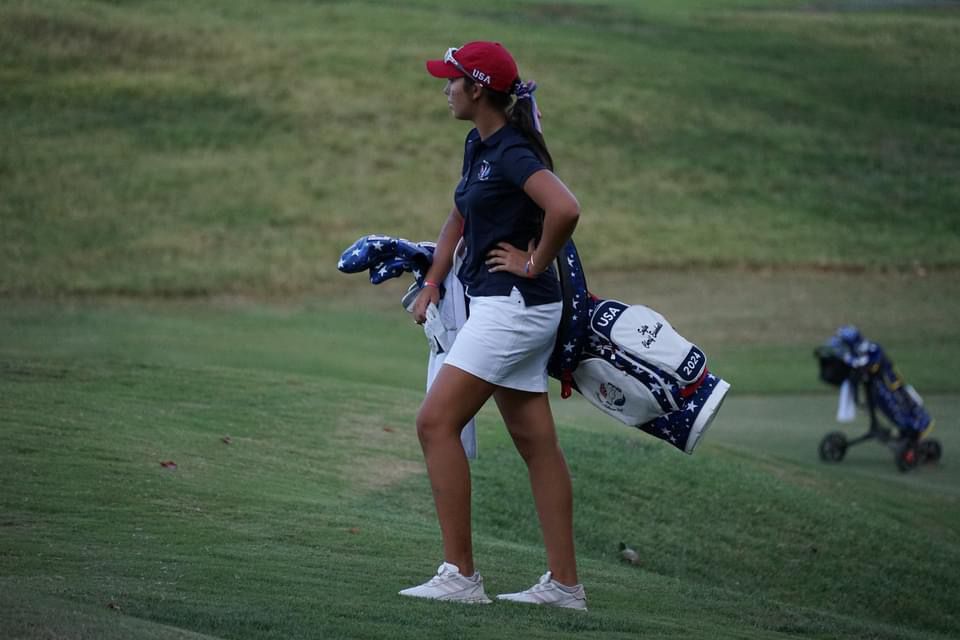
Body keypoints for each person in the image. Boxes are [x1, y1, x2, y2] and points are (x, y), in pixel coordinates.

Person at [398, 41, 585, 610]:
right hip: (509, 307)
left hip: (514, 306)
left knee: (434, 423)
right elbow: (461, 212)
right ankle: (565, 588)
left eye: (451, 80)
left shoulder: (511, 152)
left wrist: (532, 261)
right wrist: (433, 280)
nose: (445, 88)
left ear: (477, 89)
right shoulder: (478, 143)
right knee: (536, 444)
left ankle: (460, 575)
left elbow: (566, 208)